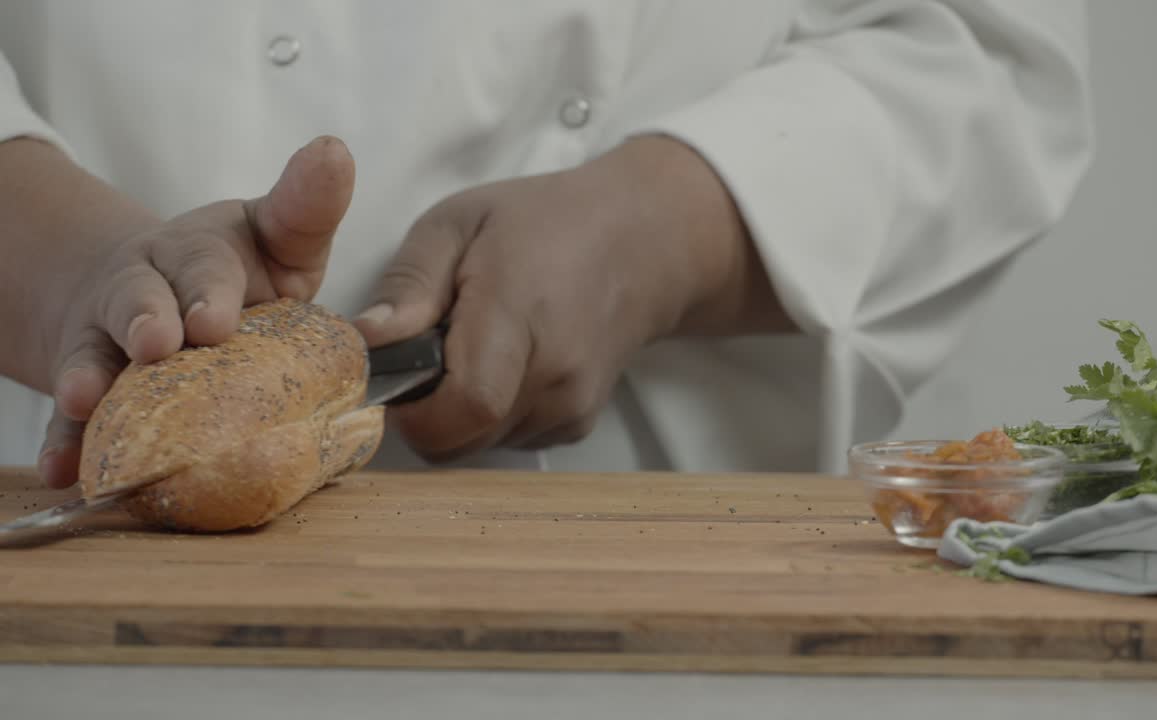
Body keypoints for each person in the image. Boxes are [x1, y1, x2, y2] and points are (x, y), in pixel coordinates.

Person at [0, 1, 1094, 489]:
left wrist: (666, 226)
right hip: (64, 530)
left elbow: (988, 58)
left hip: (651, 549)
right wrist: (61, 271)